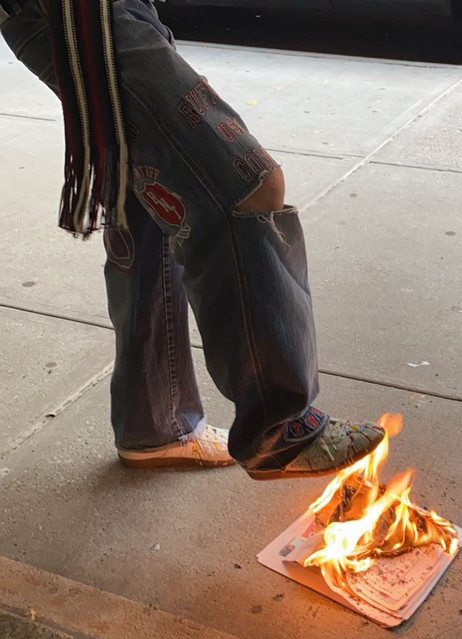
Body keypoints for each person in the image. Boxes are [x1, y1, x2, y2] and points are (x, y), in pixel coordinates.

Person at [0, 0, 385, 479]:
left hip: (97, 13)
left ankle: (155, 424)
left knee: (152, 204)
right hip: (80, 14)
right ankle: (280, 429)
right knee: (248, 186)